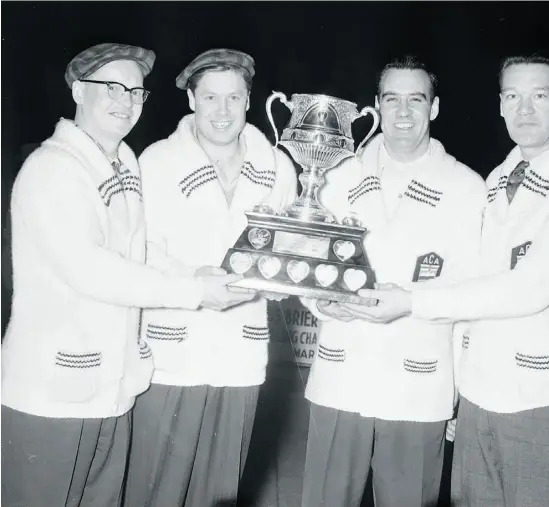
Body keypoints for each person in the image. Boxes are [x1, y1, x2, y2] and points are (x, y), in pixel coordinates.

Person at [355, 55, 549, 507]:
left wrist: (411, 301)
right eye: (512, 96)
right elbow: (474, 285)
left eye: (539, 95)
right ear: (500, 105)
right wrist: (458, 392)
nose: (524, 109)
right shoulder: (500, 179)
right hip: (482, 399)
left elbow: (530, 288)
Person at [0, 43, 255, 507]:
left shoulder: (123, 163)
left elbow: (137, 258)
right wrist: (193, 290)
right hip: (54, 395)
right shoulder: (53, 168)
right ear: (78, 90)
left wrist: (195, 271)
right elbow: (93, 271)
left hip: (112, 390)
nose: (126, 101)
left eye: (136, 92)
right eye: (112, 88)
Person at [300, 56, 486, 507]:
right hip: (342, 374)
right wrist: (321, 303)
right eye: (392, 99)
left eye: (416, 100)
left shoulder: (466, 187)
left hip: (419, 383)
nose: (403, 113)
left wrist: (461, 390)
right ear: (376, 106)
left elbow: (472, 300)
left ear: (435, 107)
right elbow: (304, 262)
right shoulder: (335, 174)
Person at [123, 48, 297, 507]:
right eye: (210, 98)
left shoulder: (280, 167)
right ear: (191, 101)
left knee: (221, 489)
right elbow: (137, 248)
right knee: (156, 486)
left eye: (233, 98)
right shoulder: (155, 162)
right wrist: (192, 281)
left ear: (248, 101)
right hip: (173, 350)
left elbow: (291, 250)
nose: (222, 112)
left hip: (240, 353)